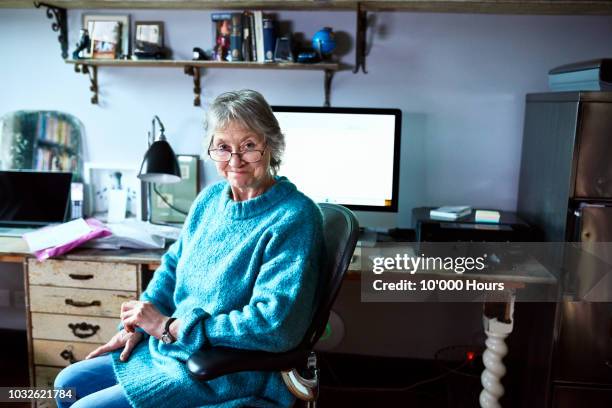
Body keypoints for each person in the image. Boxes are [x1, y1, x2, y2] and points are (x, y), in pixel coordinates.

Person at [54, 89, 325, 408]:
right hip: (171, 349)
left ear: (272, 145)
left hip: (227, 373)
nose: (235, 160)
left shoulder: (294, 217)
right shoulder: (209, 200)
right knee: (66, 385)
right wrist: (139, 326)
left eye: (249, 146)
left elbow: (274, 325)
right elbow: (171, 268)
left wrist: (172, 326)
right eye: (223, 147)